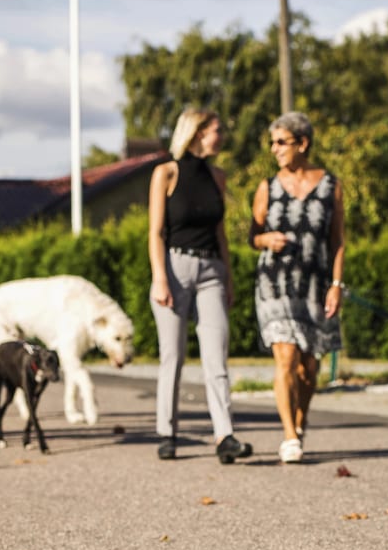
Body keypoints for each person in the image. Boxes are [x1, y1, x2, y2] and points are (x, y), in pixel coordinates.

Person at [147, 107, 252, 464]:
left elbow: (220, 232)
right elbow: (156, 231)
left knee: (216, 358)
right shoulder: (166, 173)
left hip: (211, 270)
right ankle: (167, 432)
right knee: (172, 357)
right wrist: (160, 277)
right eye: (216, 130)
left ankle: (225, 436)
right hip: (174, 268)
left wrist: (229, 277)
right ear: (196, 132)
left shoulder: (218, 177)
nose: (221, 136)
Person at [250, 111, 346, 464]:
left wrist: (336, 285)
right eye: (271, 143)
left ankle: (300, 421)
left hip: (315, 285)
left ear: (302, 143)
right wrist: (264, 239)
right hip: (274, 283)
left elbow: (337, 241)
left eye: (281, 142)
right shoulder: (267, 187)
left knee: (308, 365)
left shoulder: (330, 186)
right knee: (286, 356)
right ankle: (289, 435)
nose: (274, 149)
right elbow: (251, 235)